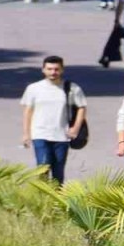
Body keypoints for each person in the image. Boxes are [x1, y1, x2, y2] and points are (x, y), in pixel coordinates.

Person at [20, 56, 86, 184]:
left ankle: (56, 200)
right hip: (40, 134)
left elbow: (81, 107)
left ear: (62, 70)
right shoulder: (34, 88)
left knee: (58, 171)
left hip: (62, 135)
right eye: (49, 69)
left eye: (56, 69)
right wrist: (26, 134)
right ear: (43, 70)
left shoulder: (71, 88)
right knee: (43, 166)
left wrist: (75, 128)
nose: (53, 72)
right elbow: (28, 111)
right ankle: (42, 197)